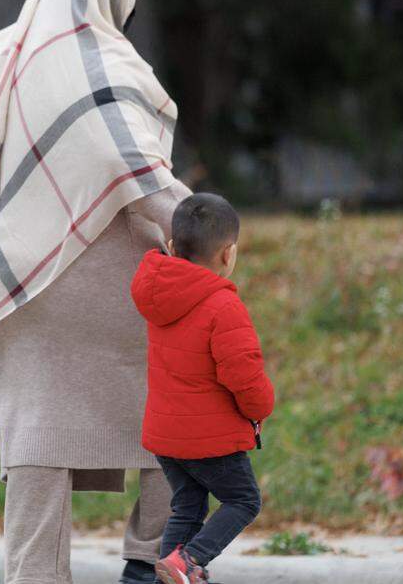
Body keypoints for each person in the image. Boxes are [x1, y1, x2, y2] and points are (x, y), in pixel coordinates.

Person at [0, 0, 192, 584]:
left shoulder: (10, 48)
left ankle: (35, 573)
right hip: (117, 278)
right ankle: (149, 562)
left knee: (38, 439)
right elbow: (132, 168)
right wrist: (195, 220)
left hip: (29, 276)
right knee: (165, 423)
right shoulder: (108, 59)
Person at [130, 193, 275, 584]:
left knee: (188, 507)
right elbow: (243, 375)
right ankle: (190, 560)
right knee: (243, 500)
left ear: (174, 247)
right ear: (228, 254)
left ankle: (170, 574)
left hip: (166, 437)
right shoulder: (222, 306)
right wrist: (261, 408)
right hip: (208, 439)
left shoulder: (158, 296)